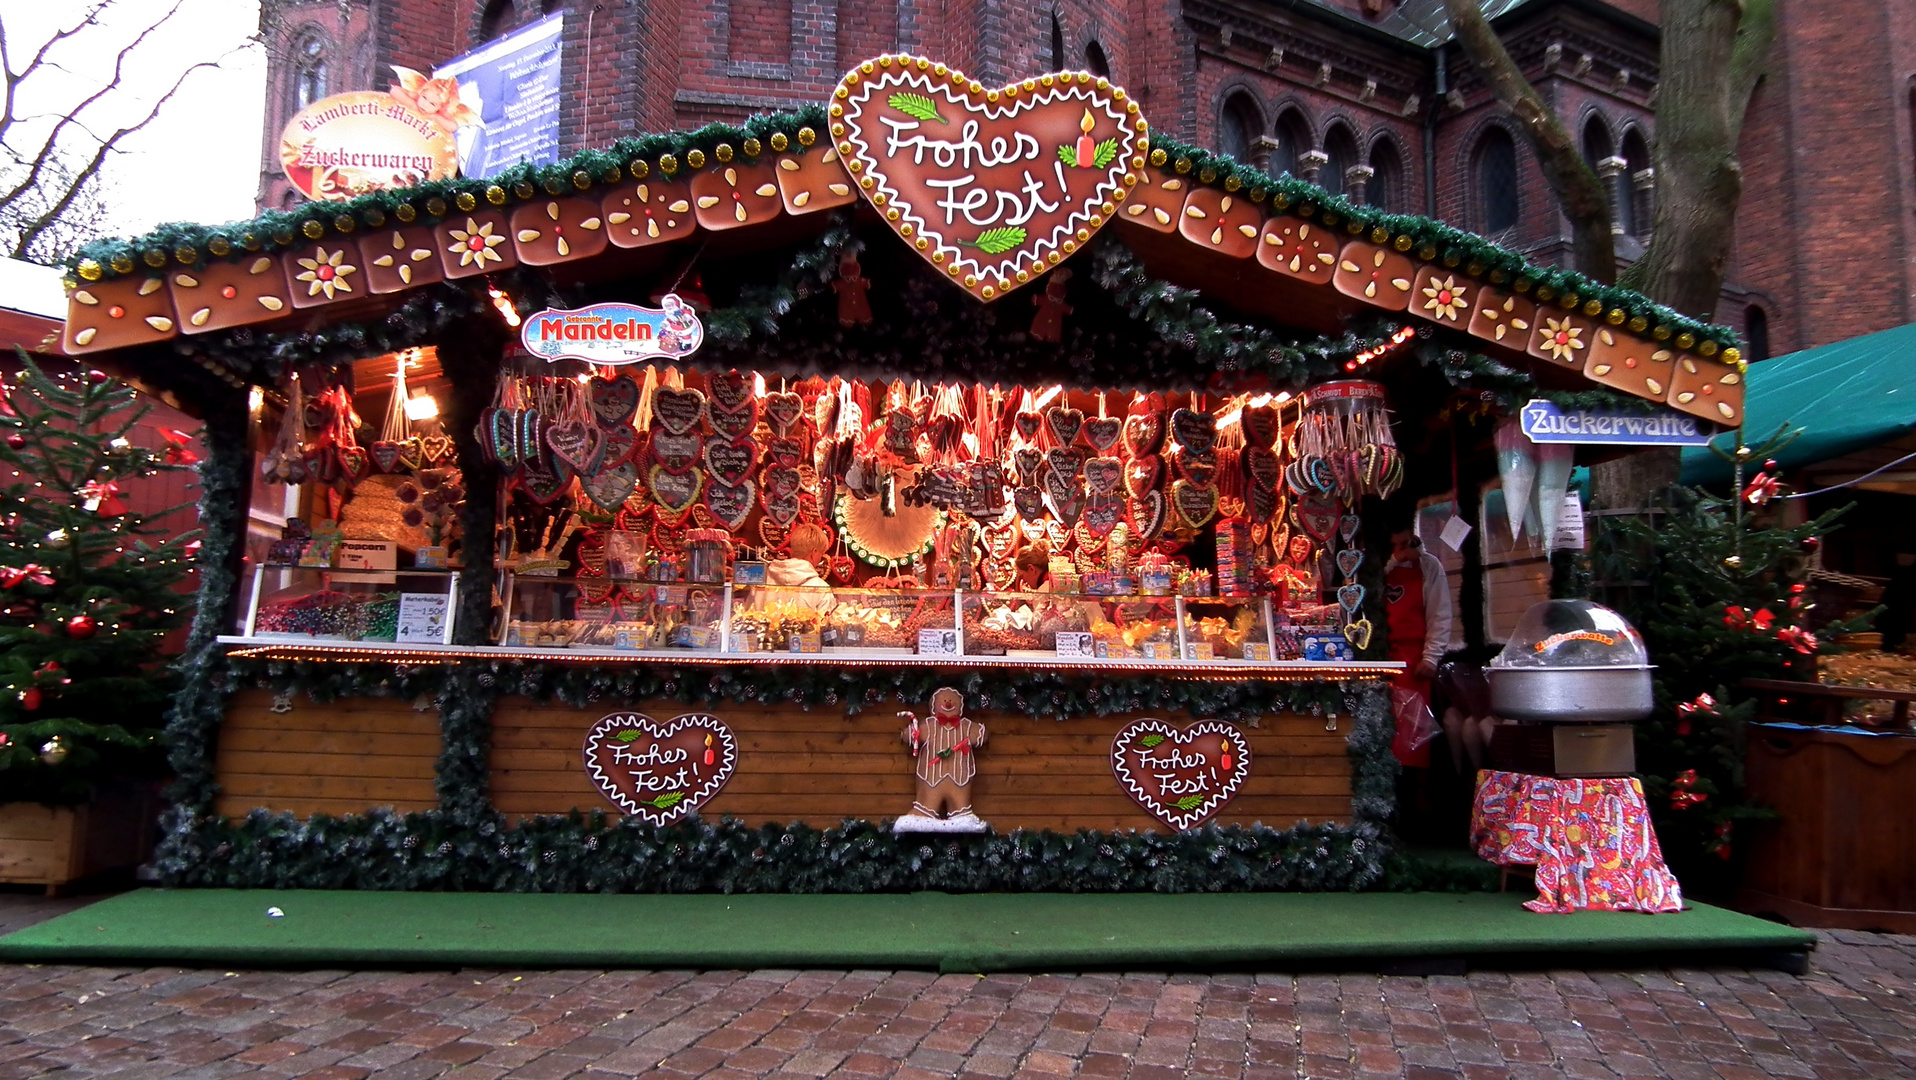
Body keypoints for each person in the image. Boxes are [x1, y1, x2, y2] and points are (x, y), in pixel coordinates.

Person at [1385, 519, 1453, 767]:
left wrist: (1432, 657)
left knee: (1412, 737)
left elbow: (1440, 613)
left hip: (1414, 662)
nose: (1402, 551)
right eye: (1395, 546)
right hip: (1380, 657)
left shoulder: (1429, 566)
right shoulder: (1379, 568)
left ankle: (1413, 793)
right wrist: (1393, 561)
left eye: (1406, 544)